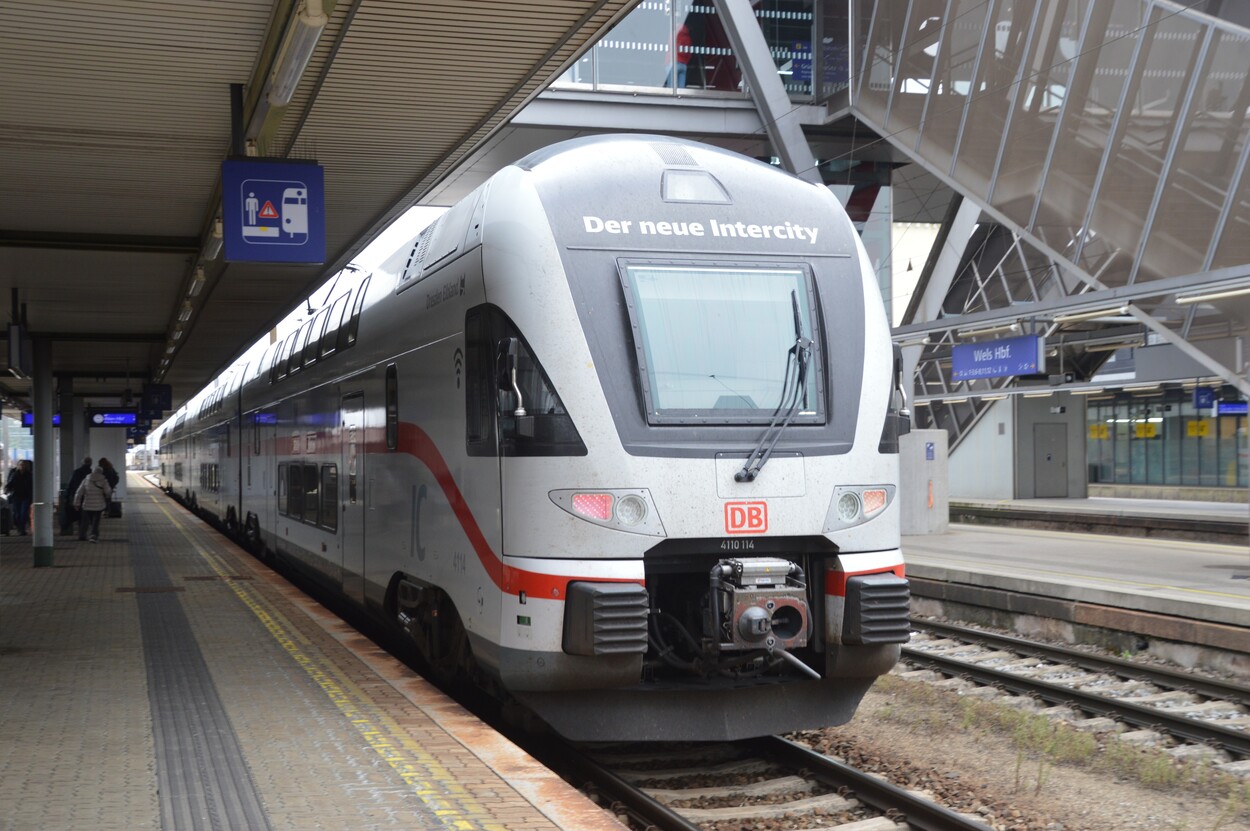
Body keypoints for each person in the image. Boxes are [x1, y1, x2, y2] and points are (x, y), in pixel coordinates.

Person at [74, 464, 112, 543]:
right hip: (99, 505)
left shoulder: (86, 479)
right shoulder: (103, 480)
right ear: (101, 472)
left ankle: (82, 535)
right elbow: (108, 491)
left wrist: (76, 503)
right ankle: (93, 536)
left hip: (87, 504)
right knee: (95, 521)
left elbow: (79, 492)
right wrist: (107, 495)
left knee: (85, 521)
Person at [63, 456, 93, 533]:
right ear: (91, 464)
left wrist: (67, 495)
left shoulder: (76, 472)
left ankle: (76, 530)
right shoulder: (91, 474)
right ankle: (82, 532)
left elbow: (70, 484)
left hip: (76, 495)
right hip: (87, 496)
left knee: (77, 513)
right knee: (85, 515)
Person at [4, 459, 33, 535]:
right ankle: (19, 527)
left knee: (23, 513)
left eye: (24, 465)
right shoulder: (15, 474)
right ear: (18, 466)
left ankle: (22, 529)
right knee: (16, 513)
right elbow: (10, 483)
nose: (22, 466)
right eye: (20, 465)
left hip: (26, 496)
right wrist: (7, 489)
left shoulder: (29, 475)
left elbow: (32, 486)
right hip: (16, 496)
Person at [663, 24, 693, 88]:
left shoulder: (673, 35)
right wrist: (685, 62)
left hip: (673, 63)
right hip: (684, 65)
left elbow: (670, 49)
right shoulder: (688, 37)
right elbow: (689, 54)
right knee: (681, 90)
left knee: (671, 88)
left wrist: (667, 63)